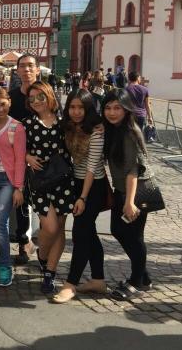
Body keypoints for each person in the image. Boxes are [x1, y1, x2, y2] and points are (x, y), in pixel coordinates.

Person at [53, 89, 107, 303]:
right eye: (72, 107)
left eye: (81, 108)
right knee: (89, 233)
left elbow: (92, 167)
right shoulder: (68, 127)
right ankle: (98, 280)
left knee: (80, 233)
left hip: (93, 186)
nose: (76, 112)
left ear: (88, 109)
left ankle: (71, 284)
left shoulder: (96, 131)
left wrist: (82, 197)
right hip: (75, 183)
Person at [24, 81, 76, 294]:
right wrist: (27, 157)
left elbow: (82, 133)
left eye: (40, 97)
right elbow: (17, 148)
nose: (36, 101)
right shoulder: (27, 123)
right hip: (40, 181)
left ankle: (50, 272)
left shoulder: (64, 122)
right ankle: (42, 255)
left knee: (59, 228)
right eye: (32, 98)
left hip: (63, 180)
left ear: (49, 96)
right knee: (50, 227)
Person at [103, 89, 153, 301]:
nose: (112, 112)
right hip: (122, 191)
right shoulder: (114, 129)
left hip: (136, 193)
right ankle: (144, 277)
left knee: (134, 237)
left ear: (126, 109)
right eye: (108, 108)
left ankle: (136, 282)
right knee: (118, 230)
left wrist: (130, 202)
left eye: (117, 108)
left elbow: (134, 170)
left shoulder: (129, 132)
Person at [0, 89, 26, 287]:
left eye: (3, 104)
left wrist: (19, 187)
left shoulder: (16, 127)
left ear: (9, 102)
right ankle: (0, 263)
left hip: (8, 181)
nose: (0, 108)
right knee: (2, 224)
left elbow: (20, 160)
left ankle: (5, 266)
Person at [8, 54, 39, 264]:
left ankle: (44, 244)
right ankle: (23, 244)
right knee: (21, 202)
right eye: (23, 66)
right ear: (18, 70)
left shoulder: (45, 93)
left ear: (37, 69)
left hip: (42, 158)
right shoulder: (12, 97)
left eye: (30, 66)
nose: (26, 70)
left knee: (44, 205)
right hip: (18, 158)